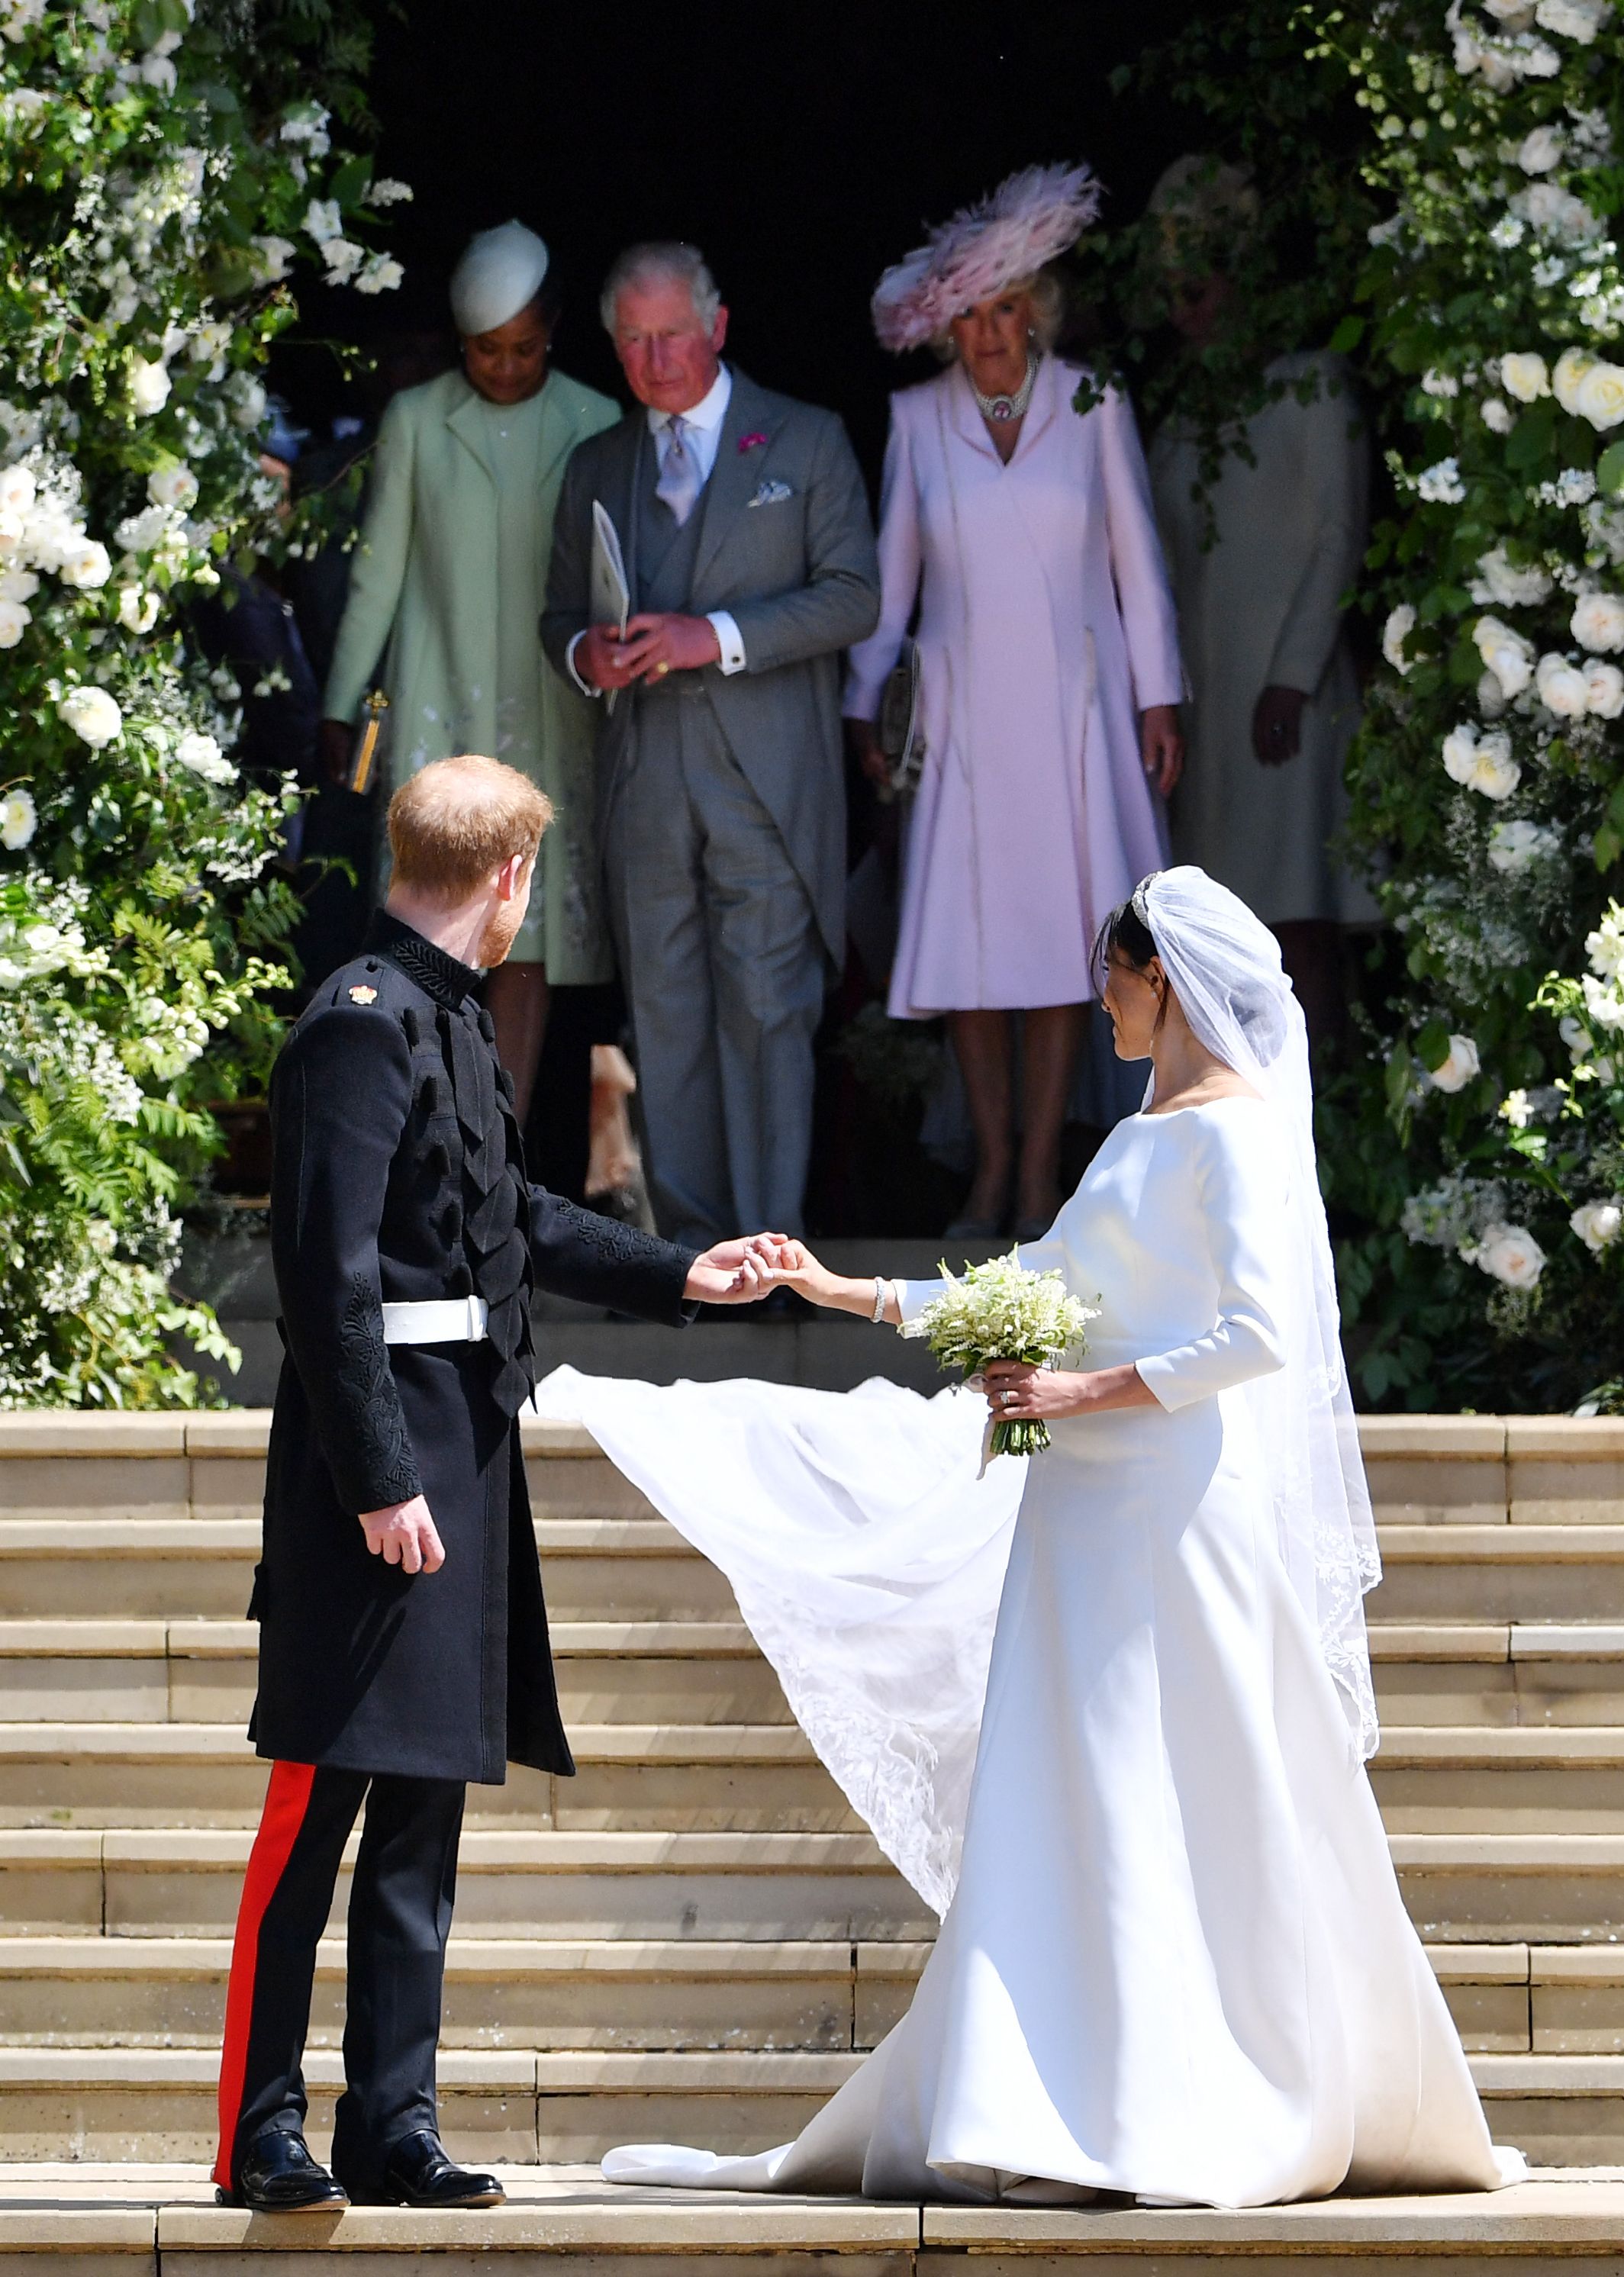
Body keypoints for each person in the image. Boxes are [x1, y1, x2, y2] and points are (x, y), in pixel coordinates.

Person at [558, 867, 1520, 2207]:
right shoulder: (1139, 1135)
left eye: (1114, 975)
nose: (1102, 997)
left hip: (1172, 1511)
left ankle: (1172, 2100)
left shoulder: (1232, 1131)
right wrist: (834, 1284)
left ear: (1163, 978)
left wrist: (1074, 1390)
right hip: (1080, 1514)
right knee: (1075, 1793)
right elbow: (1037, 1290)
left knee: (1174, 1783)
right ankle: (1050, 2099)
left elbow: (1256, 1334)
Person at [212, 754, 778, 2214]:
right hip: (374, 1457)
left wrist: (678, 1272)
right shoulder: (356, 1024)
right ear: (510, 877)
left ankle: (390, 2119)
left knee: (421, 1811)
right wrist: (378, 1478)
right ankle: (259, 2126)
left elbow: (507, 1215)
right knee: (316, 1806)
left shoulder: (447, 1020)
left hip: (456, 1440)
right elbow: (324, 1278)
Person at [844, 164, 1184, 1242]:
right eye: (972, 316)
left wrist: (1159, 700)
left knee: (1057, 955)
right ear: (948, 328)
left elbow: (1140, 565)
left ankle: (1041, 1173)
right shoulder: (914, 418)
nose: (990, 333)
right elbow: (891, 580)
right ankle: (990, 1170)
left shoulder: (1094, 403)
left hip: (1073, 714)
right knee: (972, 961)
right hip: (960, 720)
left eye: (1007, 310)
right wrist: (865, 703)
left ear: (1035, 312)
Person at [541, 242, 880, 1248]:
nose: (655, 360)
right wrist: (581, 655)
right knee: (668, 1014)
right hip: (642, 775)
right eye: (634, 341)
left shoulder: (807, 441)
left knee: (771, 1012)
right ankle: (693, 1252)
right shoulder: (598, 462)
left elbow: (855, 597)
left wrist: (714, 636)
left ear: (718, 328)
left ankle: (773, 1246)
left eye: (673, 335)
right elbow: (557, 612)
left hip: (767, 779)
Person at [321, 221, 619, 1126]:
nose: (505, 365)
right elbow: (377, 575)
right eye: (487, 349)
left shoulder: (595, 419)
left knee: (526, 932)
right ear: (460, 343)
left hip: (552, 706)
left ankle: (506, 1143)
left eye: (524, 347)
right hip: (436, 698)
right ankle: (423, 1137)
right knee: (430, 921)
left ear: (554, 329)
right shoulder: (415, 418)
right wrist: (341, 703)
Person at [1145, 156, 1377, 1052]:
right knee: (1221, 928)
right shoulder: (1180, 423)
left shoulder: (1312, 385)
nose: (1186, 307)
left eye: (1199, 286)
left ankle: (1326, 1126)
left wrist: (1289, 678)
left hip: (1289, 701)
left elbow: (1336, 540)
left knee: (1298, 918)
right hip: (1206, 709)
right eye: (1173, 292)